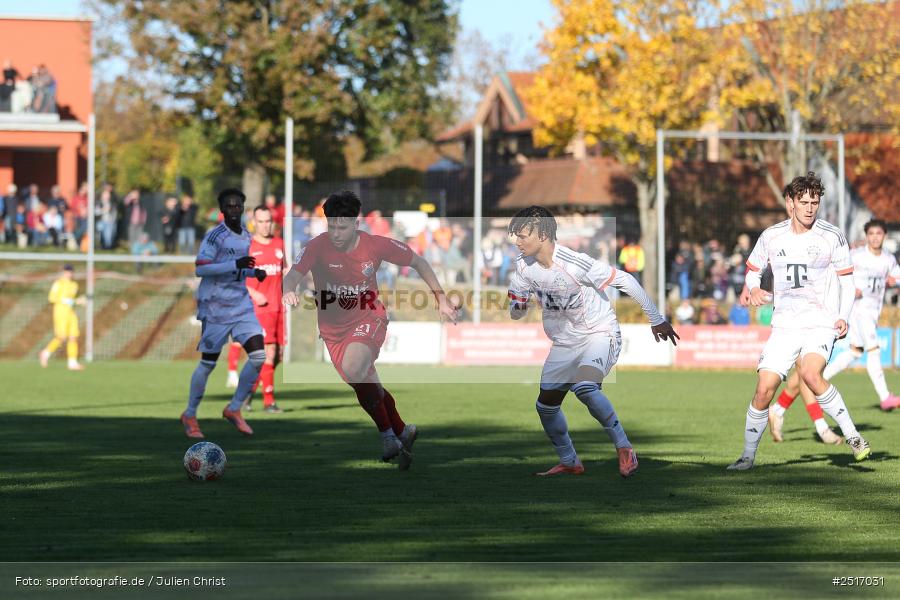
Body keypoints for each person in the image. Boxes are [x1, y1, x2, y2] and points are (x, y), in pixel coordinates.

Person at [282, 190, 459, 470]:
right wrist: (289, 290)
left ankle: (388, 437)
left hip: (369, 316)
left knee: (355, 368)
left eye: (342, 226)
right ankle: (402, 431)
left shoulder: (375, 245)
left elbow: (419, 262)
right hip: (332, 330)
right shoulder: (317, 246)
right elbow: (292, 274)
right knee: (366, 385)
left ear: (356, 224)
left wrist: (441, 299)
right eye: (332, 226)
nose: (336, 233)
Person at [506, 206, 679, 478]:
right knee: (546, 406)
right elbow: (516, 311)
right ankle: (570, 461)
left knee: (585, 386)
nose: (517, 240)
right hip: (565, 343)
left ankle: (624, 448)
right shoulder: (522, 266)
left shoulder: (574, 262)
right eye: (515, 235)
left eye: (522, 234)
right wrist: (519, 306)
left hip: (599, 332)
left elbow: (626, 280)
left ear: (542, 235)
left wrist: (656, 318)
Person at [728, 171, 870, 471]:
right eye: (803, 201)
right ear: (790, 202)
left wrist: (842, 317)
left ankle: (854, 437)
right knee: (764, 389)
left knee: (810, 374)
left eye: (814, 202)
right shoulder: (771, 235)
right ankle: (747, 456)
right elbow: (752, 270)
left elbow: (847, 282)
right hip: (784, 326)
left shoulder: (832, 236)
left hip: (820, 322)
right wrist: (753, 288)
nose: (809, 208)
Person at [180, 188, 268, 439]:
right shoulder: (214, 236)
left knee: (259, 356)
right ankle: (190, 413)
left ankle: (234, 408)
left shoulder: (246, 236)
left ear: (243, 208)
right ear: (221, 210)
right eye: (229, 206)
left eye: (238, 205)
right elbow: (201, 269)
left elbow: (238, 269)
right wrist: (236, 265)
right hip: (216, 307)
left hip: (241, 305)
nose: (234, 210)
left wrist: (253, 273)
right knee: (208, 363)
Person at [821, 219, 900, 410]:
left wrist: (894, 280)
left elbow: (897, 275)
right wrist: (849, 289)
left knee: (855, 351)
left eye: (878, 234)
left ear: (884, 236)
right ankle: (885, 396)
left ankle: (819, 380)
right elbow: (835, 271)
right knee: (873, 349)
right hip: (857, 309)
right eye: (871, 234)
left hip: (873, 311)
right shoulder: (855, 255)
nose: (874, 238)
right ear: (866, 236)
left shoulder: (888, 259)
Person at [225, 205, 287, 413]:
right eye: (261, 221)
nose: (265, 225)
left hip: (279, 309)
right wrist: (253, 293)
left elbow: (284, 268)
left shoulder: (280, 243)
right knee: (267, 354)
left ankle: (248, 392)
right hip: (258, 310)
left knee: (278, 356)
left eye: (268, 221)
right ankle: (269, 402)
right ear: (254, 222)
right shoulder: (247, 246)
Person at [39, 264, 85, 370]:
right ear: (64, 272)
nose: (69, 273)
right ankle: (45, 353)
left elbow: (72, 300)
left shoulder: (74, 285)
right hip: (60, 312)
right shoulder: (58, 283)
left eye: (71, 271)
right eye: (67, 271)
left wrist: (79, 301)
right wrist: (69, 301)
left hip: (70, 313)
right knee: (61, 337)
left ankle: (72, 363)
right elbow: (52, 298)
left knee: (73, 336)